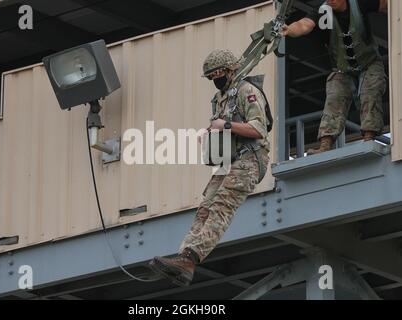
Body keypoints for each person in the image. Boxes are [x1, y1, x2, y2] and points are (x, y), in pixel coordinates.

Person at [148, 49, 271, 287]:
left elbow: (259, 129)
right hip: (230, 161)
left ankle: (191, 257)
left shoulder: (247, 91)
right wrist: (209, 133)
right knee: (205, 208)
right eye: (211, 76)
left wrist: (224, 124)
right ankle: (184, 258)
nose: (216, 79)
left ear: (229, 70)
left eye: (218, 74)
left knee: (221, 206)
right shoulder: (220, 99)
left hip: (250, 159)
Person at [282, 0, 388, 154]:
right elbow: (305, 24)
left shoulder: (360, 3)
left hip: (369, 62)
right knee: (334, 97)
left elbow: (387, 4)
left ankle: (369, 138)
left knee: (370, 91)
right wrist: (290, 29)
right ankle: (325, 145)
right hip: (342, 69)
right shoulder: (323, 10)